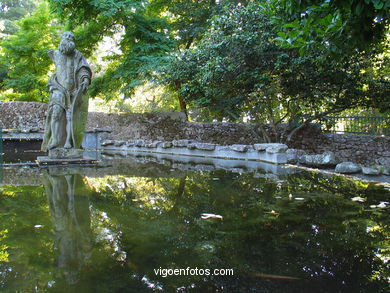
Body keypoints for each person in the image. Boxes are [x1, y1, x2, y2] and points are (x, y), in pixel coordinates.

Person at [41, 31, 92, 151]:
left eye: (71, 37)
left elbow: (84, 69)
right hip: (58, 88)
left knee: (71, 117)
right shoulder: (54, 53)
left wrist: (85, 79)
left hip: (73, 90)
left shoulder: (78, 55)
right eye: (66, 36)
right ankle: (55, 140)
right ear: (61, 38)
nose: (68, 39)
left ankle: (69, 141)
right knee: (55, 114)